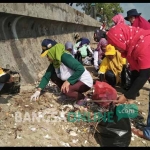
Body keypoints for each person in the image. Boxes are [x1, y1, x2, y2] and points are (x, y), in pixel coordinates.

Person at [106, 23, 150, 140]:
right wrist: (129, 94)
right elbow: (136, 72)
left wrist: (127, 96)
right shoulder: (133, 47)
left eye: (115, 44)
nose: (116, 48)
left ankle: (148, 133)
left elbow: (144, 75)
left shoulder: (143, 45)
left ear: (121, 38)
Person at [30, 39, 93, 108]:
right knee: (53, 76)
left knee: (68, 90)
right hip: (74, 80)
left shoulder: (64, 57)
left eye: (48, 54)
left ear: (52, 52)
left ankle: (82, 98)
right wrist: (38, 90)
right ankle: (67, 92)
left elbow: (80, 69)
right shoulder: (55, 61)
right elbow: (47, 75)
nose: (47, 58)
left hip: (84, 81)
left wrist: (68, 81)